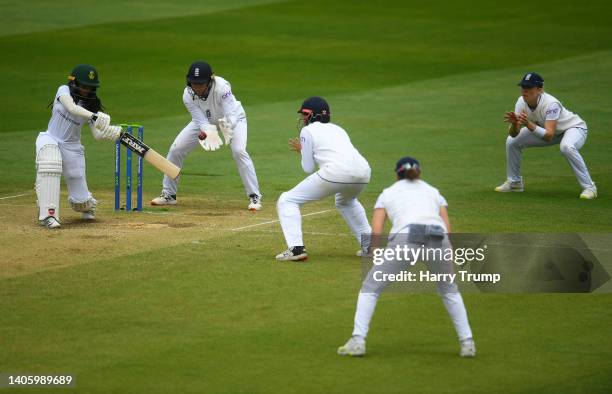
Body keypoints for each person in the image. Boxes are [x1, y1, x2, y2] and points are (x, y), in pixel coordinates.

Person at [337, 157, 476, 357]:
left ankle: (358, 341)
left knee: (370, 287)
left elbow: (376, 230)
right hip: (438, 238)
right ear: (419, 172)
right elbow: (447, 227)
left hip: (407, 237)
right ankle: (468, 343)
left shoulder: (387, 193)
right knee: (449, 289)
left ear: (396, 174)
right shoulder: (432, 191)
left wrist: (376, 253)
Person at [150, 60, 262, 210]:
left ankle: (254, 197)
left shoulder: (222, 87)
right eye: (194, 83)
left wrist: (226, 127)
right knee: (176, 149)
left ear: (209, 81)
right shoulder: (187, 95)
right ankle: (169, 195)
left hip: (233, 120)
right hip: (205, 121)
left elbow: (231, 114)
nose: (197, 88)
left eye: (200, 84)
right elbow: (200, 120)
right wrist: (208, 132)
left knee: (239, 151)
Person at [275, 96, 371, 261]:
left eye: (305, 114)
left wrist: (304, 151)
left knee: (287, 200)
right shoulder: (339, 129)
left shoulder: (307, 131)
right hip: (363, 172)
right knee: (346, 201)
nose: (303, 118)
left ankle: (296, 249)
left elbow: (308, 168)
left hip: (336, 173)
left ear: (313, 115)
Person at [35, 64, 122, 228]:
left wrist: (112, 133)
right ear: (73, 82)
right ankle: (48, 216)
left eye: (89, 88)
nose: (86, 90)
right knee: (50, 163)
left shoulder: (91, 106)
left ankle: (88, 206)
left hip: (72, 147)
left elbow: (97, 135)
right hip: (50, 138)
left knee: (81, 200)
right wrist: (95, 116)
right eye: (83, 86)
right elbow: (71, 107)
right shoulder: (63, 91)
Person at [495, 72, 597, 199]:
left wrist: (527, 123)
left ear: (539, 89)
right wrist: (515, 124)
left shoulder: (551, 104)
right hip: (549, 131)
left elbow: (548, 136)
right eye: (523, 87)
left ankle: (589, 188)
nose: (524, 91)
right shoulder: (521, 102)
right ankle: (515, 182)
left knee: (566, 147)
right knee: (511, 141)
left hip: (574, 129)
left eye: (529, 88)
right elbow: (514, 134)